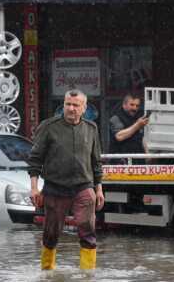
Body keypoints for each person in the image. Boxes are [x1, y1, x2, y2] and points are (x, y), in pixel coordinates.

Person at [27, 89, 105, 270]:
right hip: (55, 187)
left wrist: (99, 189)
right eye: (67, 104)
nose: (71, 108)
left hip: (83, 187)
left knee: (88, 231)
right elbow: (35, 159)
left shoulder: (91, 129)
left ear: (84, 108)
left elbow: (96, 162)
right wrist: (34, 188)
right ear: (63, 105)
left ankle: (87, 280)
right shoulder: (48, 127)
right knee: (51, 234)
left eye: (75, 105)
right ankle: (47, 275)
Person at [108, 93, 148, 163]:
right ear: (124, 105)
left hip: (137, 161)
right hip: (120, 163)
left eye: (137, 106)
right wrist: (137, 126)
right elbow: (119, 136)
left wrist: (148, 156)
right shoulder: (116, 118)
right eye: (132, 105)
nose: (134, 108)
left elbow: (141, 138)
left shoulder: (137, 118)